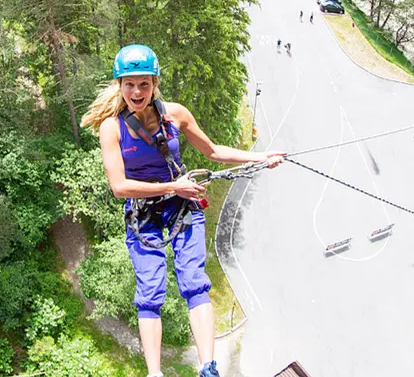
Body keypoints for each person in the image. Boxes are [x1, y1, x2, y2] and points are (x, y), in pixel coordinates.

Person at [81, 45, 285, 377]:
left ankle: (209, 367)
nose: (136, 92)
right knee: (150, 291)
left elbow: (214, 151)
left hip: (181, 203)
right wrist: (174, 187)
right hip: (145, 211)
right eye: (129, 84)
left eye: (144, 84)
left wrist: (260, 157)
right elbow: (120, 188)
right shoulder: (111, 128)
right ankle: (154, 373)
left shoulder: (175, 114)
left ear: (155, 83)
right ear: (119, 85)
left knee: (194, 281)